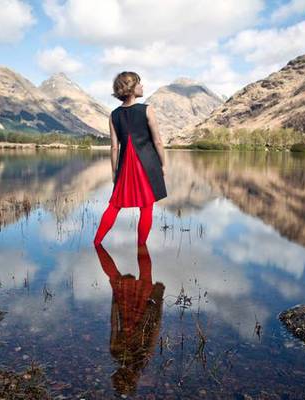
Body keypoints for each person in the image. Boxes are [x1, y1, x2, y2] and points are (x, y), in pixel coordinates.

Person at [93, 71, 167, 246]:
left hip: (125, 164)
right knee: (146, 207)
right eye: (139, 83)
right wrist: (163, 164)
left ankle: (97, 243)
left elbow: (114, 147)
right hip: (147, 164)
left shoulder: (114, 115)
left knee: (114, 205)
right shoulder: (147, 109)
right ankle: (142, 247)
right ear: (131, 88)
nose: (143, 86)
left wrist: (114, 171)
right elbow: (157, 141)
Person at [94, 243, 165, 395]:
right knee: (143, 279)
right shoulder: (133, 357)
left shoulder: (129, 356)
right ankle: (141, 243)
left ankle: (140, 243)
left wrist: (116, 302)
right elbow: (152, 333)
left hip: (133, 313)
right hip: (138, 313)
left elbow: (115, 326)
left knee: (144, 279)